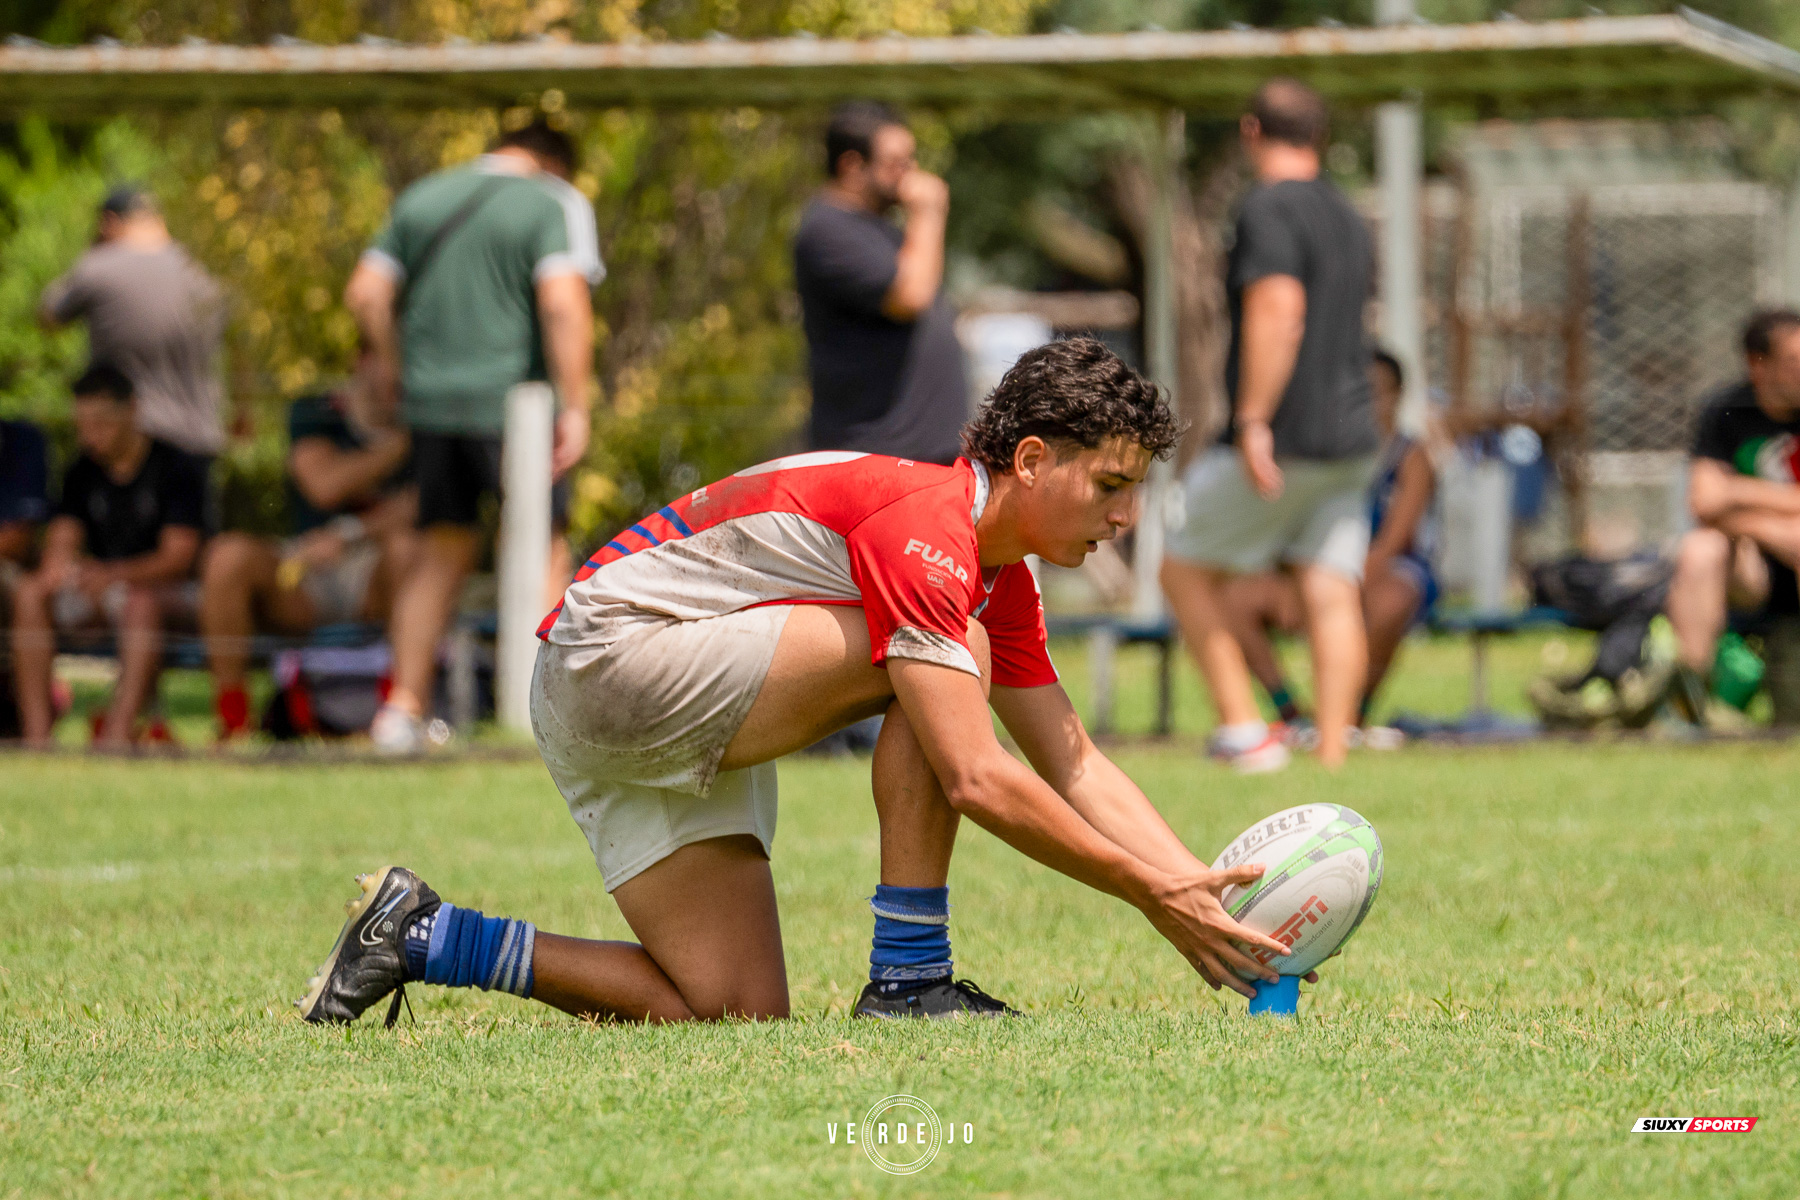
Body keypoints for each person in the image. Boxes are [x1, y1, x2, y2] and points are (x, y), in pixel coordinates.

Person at [295, 338, 1315, 1028]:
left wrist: (1207, 894)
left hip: (649, 690)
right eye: (1111, 486)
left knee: (731, 1010)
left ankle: (425, 935)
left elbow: (1071, 759)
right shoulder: (929, 538)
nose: (1127, 515)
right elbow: (972, 774)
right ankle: (910, 979)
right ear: (1034, 459)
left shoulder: (990, 577)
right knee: (932, 661)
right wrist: (1148, 894)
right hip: (613, 662)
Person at [343, 119, 603, 754]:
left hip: (434, 410)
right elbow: (563, 303)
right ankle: (544, 710)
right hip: (518, 408)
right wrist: (577, 402)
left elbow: (366, 293)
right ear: (554, 163)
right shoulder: (552, 201)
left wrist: (396, 367)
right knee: (542, 545)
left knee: (441, 548)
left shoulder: (422, 196)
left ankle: (401, 712)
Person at [1161, 77, 1378, 773]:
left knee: (1181, 564)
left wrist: (1254, 420)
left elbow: (1278, 311)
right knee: (1330, 586)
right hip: (1351, 441)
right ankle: (1336, 751)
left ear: (1253, 131)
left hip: (1284, 439)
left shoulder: (1266, 208)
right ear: (1319, 136)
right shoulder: (1347, 215)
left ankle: (1245, 731)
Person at [1217, 350, 1436, 745]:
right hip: (1319, 572)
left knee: (1391, 599)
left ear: (1399, 396)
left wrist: (1340, 589)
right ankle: (1292, 714)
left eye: (1378, 392)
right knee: (1236, 598)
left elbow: (1394, 542)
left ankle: (1351, 714)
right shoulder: (1324, 454)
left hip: (1379, 573)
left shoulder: (1409, 456)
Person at [199, 355, 416, 740]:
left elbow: (419, 508)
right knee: (227, 557)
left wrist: (351, 533)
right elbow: (323, 485)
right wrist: (396, 448)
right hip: (305, 569)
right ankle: (233, 725)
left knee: (406, 550)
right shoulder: (317, 410)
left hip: (377, 569)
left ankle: (395, 716)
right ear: (360, 362)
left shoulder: (429, 419)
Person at [9, 366, 204, 748]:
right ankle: (37, 740)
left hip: (164, 595)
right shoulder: (81, 471)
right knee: (31, 594)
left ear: (131, 410)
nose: (90, 437)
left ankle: (115, 739)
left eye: (100, 424)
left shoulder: (176, 467)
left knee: (139, 604)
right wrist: (57, 566)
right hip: (101, 591)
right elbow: (64, 535)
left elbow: (178, 557)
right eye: (82, 425)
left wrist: (113, 574)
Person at [793, 101, 968, 467]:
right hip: (877, 458)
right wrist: (929, 211)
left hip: (918, 455)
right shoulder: (827, 230)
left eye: (911, 159)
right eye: (896, 163)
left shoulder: (880, 229)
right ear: (852, 166)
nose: (910, 174)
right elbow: (911, 295)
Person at [39, 187, 227, 491]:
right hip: (198, 439)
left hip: (129, 444)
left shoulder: (99, 266)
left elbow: (48, 315)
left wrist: (93, 250)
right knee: (188, 536)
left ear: (109, 222)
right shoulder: (199, 275)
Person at [1666, 309, 1800, 727]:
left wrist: (1738, 492)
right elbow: (1704, 501)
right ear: (1757, 364)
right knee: (1698, 548)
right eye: (1794, 361)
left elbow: (1721, 496)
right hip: (1750, 569)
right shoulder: (1726, 410)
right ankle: (1691, 703)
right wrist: (1771, 521)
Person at [0, 417, 54, 738]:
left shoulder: (23, 441)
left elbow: (17, 537)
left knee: (29, 592)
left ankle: (37, 739)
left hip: (10, 571)